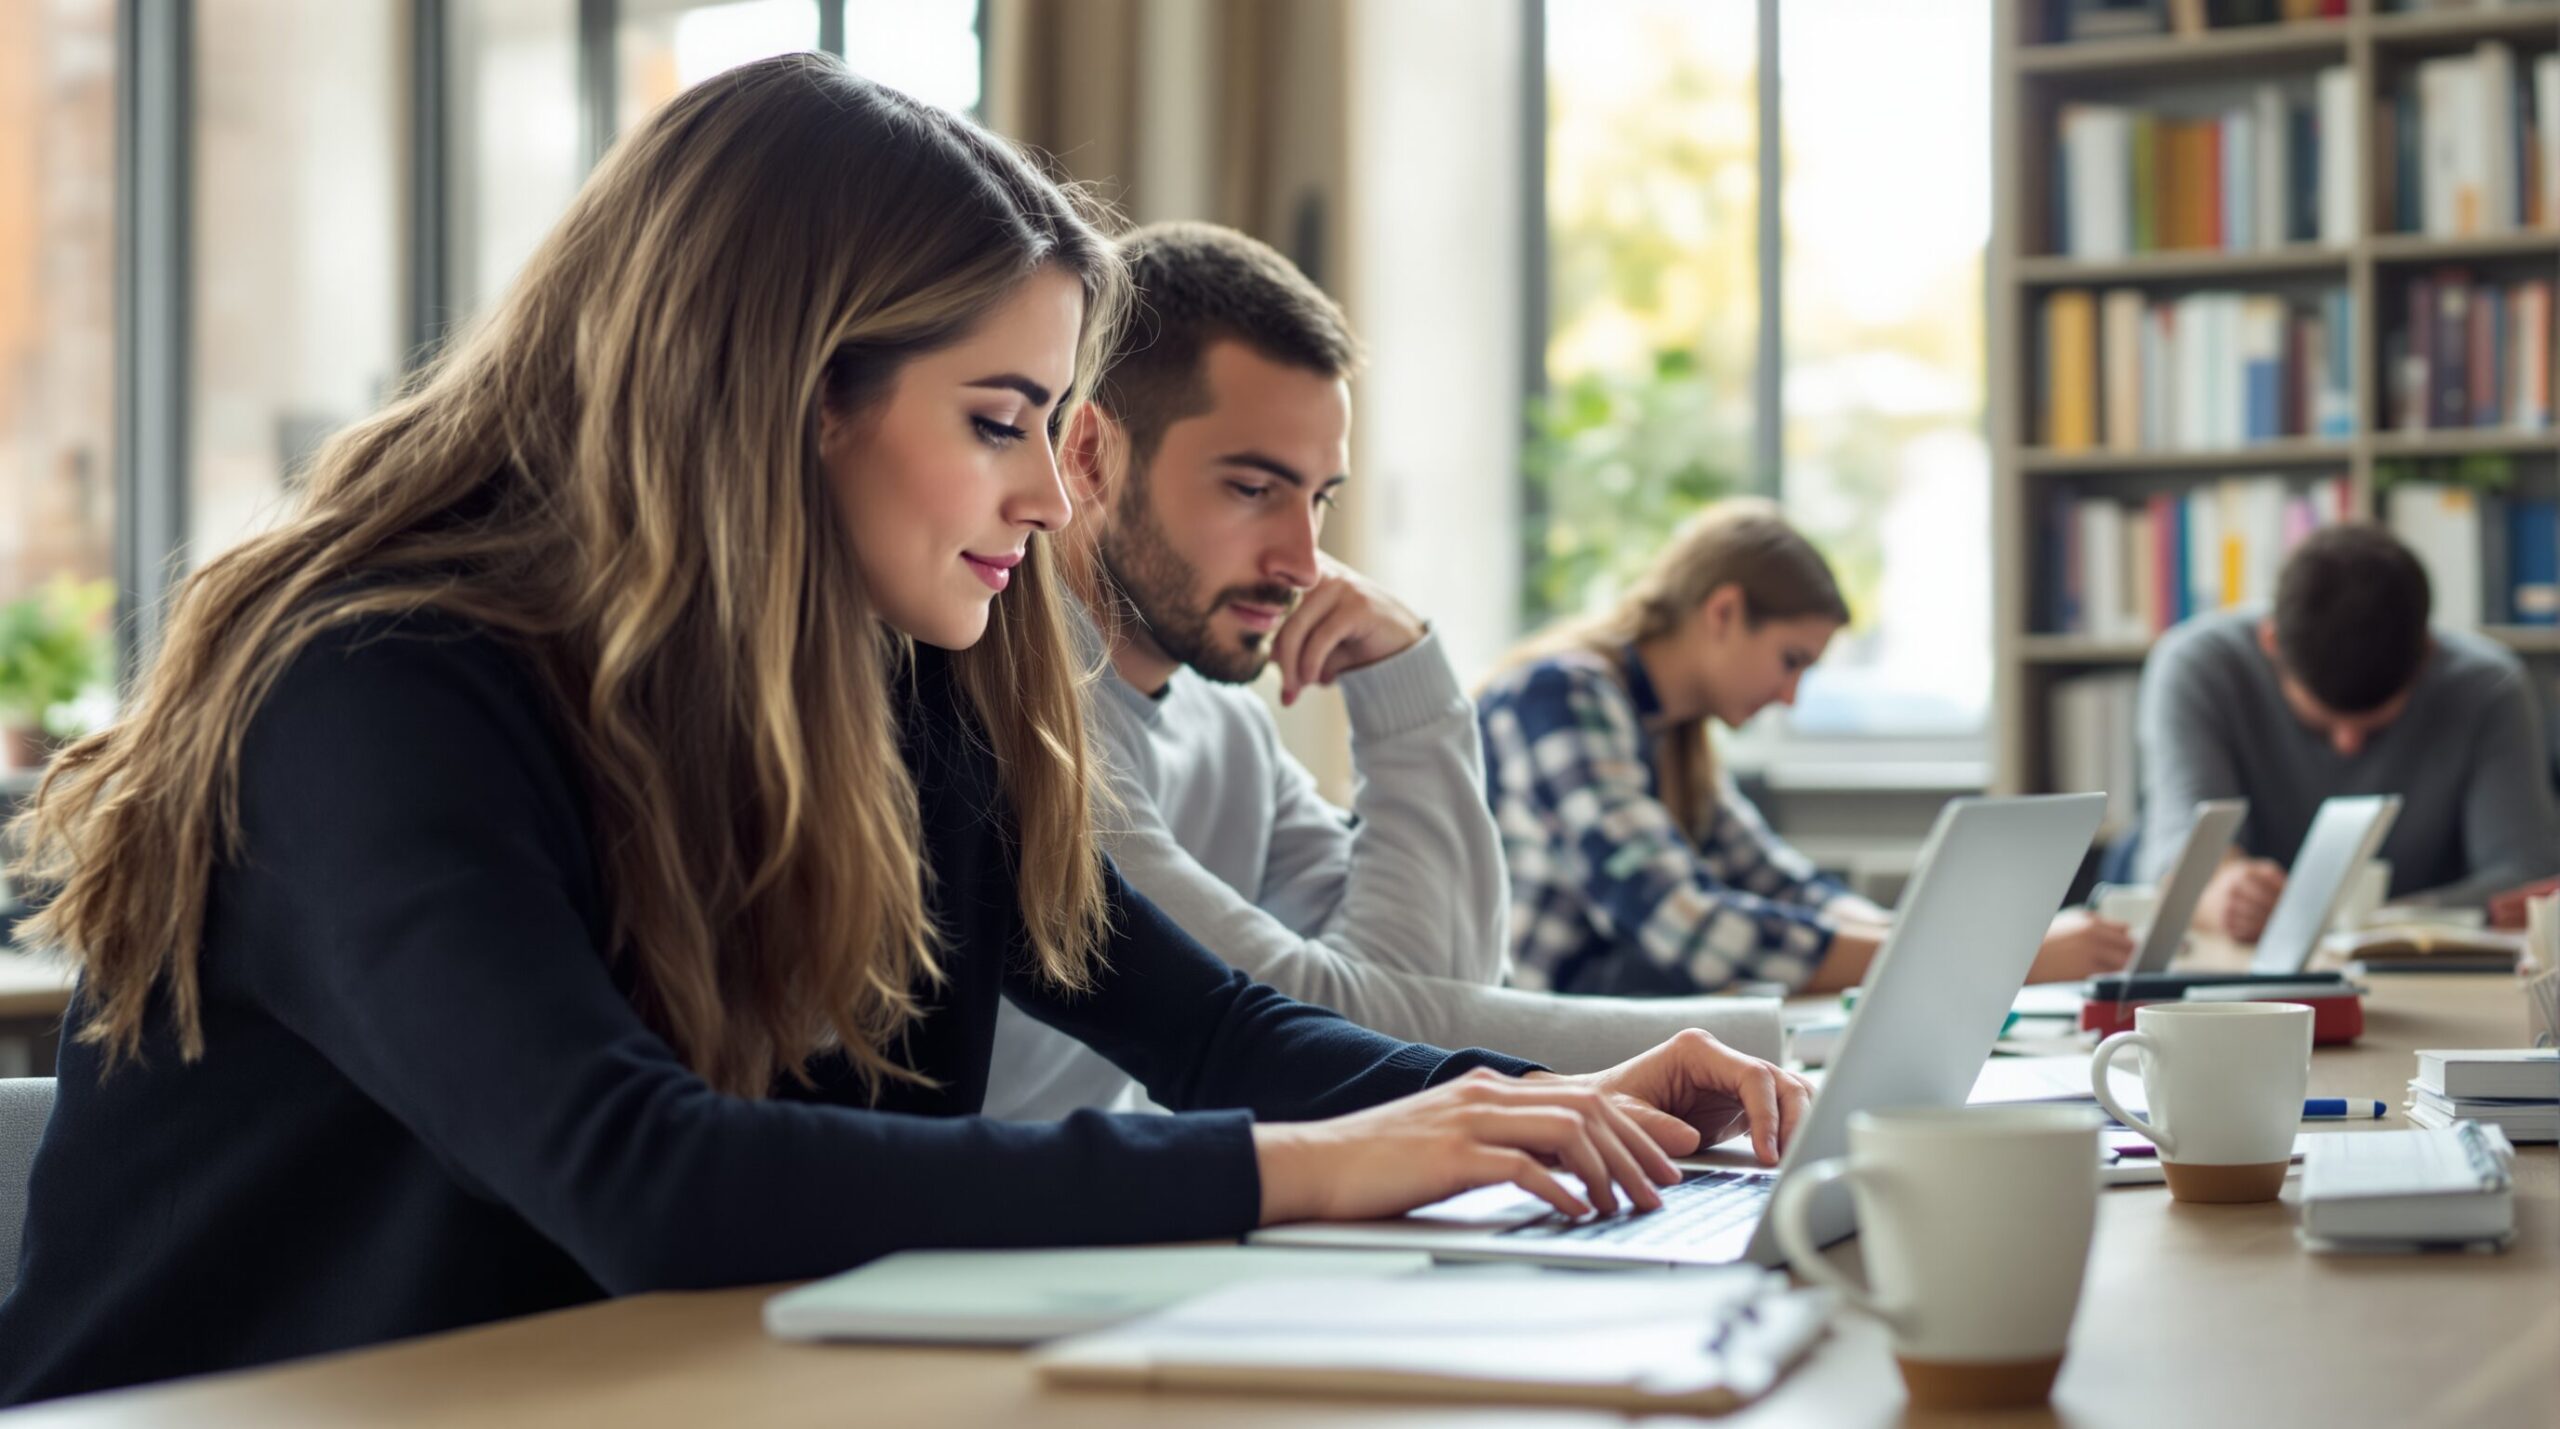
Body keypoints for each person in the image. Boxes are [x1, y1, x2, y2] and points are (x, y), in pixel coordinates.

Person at [0, 59, 1810, 1404]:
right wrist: (1314, 1164)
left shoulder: (887, 684)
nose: (1050, 491)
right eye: (1004, 415)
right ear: (787, 397)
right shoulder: (373, 686)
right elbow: (646, 1177)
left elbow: (1202, 1022)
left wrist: (1537, 1109)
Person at [986, 223, 1782, 1122]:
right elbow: (1312, 1025)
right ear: (1090, 456)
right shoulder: (1019, 718)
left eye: (1319, 498)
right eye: (1253, 489)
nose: (1302, 558)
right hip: (972, 1244)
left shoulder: (1231, 731)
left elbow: (1430, 990)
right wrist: (1756, 1049)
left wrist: (1408, 686)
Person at [1480, 500, 2132, 997]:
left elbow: (1781, 881)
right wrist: (1990, 958)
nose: (1790, 696)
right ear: (1724, 612)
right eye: (1790, 660)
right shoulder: (1562, 696)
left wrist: (1938, 943)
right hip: (1519, 1046)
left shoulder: (1674, 731)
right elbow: (1683, 925)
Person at [2138, 522, 2560, 941]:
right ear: (2271, 642)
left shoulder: (2489, 686)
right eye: (2323, 722)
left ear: (2428, 654)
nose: (2347, 745)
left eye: (2374, 726)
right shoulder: (2198, 667)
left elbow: (2523, 880)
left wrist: (2367, 925)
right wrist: (2221, 891)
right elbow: (2177, 861)